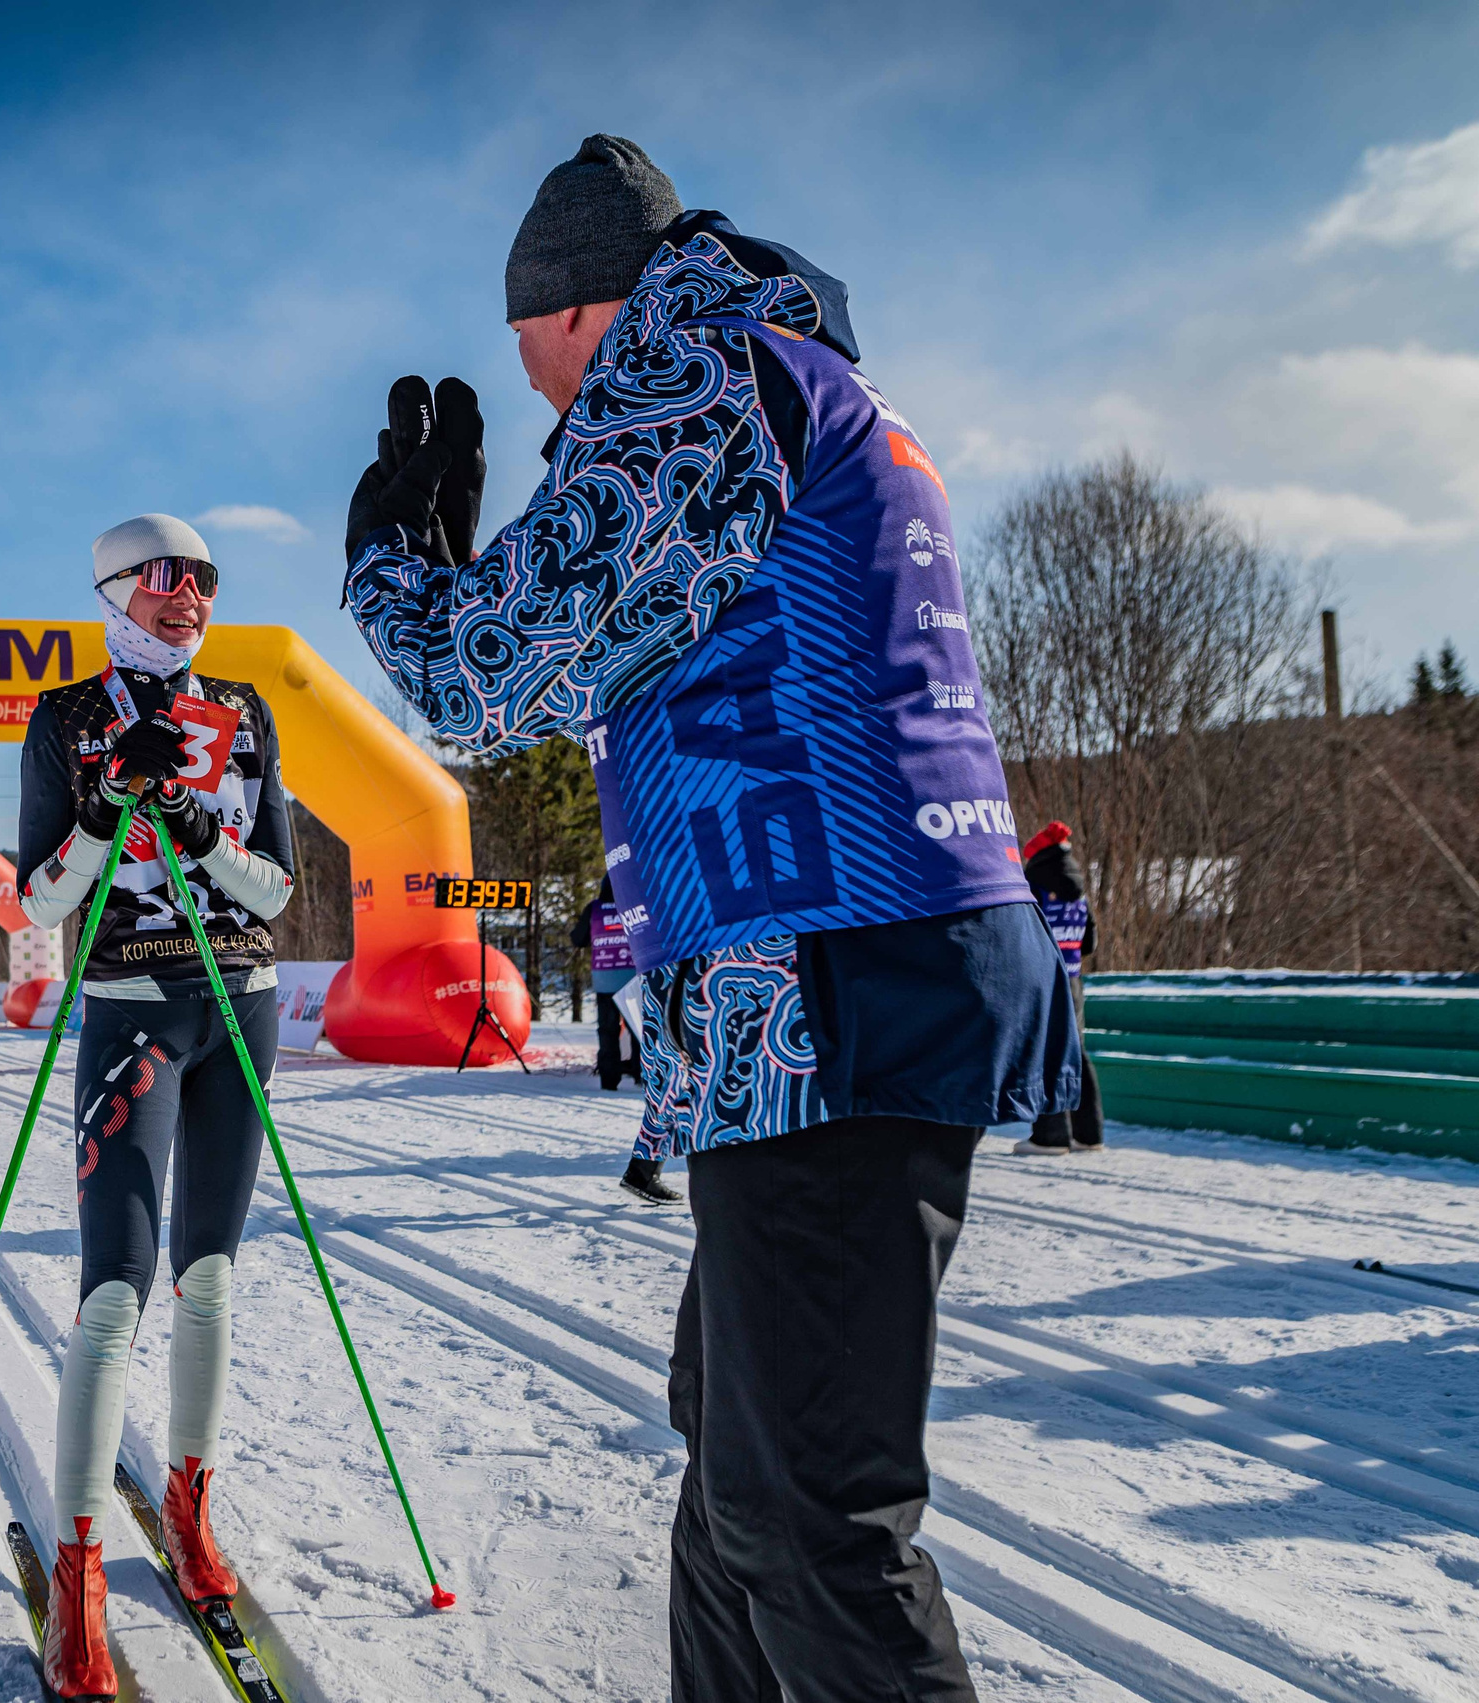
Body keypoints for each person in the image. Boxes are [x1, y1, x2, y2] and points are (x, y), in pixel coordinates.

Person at [343, 136, 1076, 1702]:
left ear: (579, 310)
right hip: (807, 987)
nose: (536, 393)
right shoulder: (755, 370)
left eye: (529, 346)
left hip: (833, 974)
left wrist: (394, 571)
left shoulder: (693, 374)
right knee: (736, 1479)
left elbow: (495, 673)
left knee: (810, 1515)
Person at [15, 513, 298, 1700]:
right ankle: (79, 1567)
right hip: (132, 1003)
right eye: (166, 577)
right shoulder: (67, 718)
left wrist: (199, 827)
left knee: (213, 1277)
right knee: (115, 1291)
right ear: (112, 589)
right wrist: (101, 815)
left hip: (242, 999)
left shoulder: (243, 704)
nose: (190, 595)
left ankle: (187, 1506)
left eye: (207, 579)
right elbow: (38, 902)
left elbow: (277, 888)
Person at [571, 881, 677, 1204]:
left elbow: (577, 938)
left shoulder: (594, 909)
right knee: (640, 1033)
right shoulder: (636, 903)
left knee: (607, 1033)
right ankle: (639, 1074)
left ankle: (609, 1079)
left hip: (604, 979)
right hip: (634, 977)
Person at [1014, 821, 1103, 1155]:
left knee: (1045, 1052)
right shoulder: (1079, 889)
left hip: (1043, 979)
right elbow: (1089, 941)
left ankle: (1050, 1136)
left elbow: (1024, 931)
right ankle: (1088, 1134)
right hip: (1073, 979)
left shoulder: (1032, 885)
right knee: (1076, 1053)